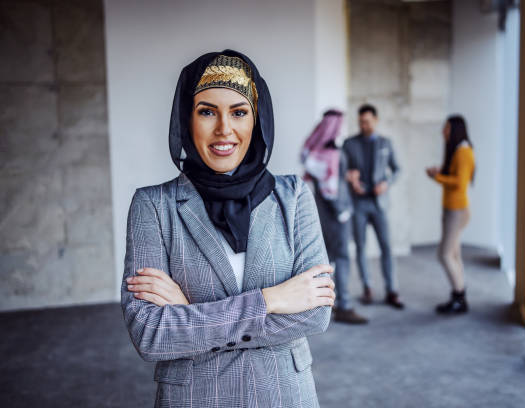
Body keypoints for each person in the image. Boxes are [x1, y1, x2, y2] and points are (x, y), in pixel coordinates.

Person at [121, 50, 334, 408]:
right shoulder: (152, 206)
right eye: (207, 111)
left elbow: (315, 314)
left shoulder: (294, 196)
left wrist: (190, 313)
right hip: (195, 398)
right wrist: (272, 300)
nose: (224, 129)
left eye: (239, 112)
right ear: (187, 119)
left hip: (283, 395)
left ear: (257, 119)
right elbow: (151, 334)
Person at [301, 109, 369, 324]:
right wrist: (343, 211)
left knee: (325, 259)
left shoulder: (316, 151)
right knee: (341, 258)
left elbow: (325, 181)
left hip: (322, 214)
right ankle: (344, 305)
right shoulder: (333, 154)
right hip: (337, 214)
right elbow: (332, 189)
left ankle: (321, 304)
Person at [342, 104, 403, 309]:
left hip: (380, 203)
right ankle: (367, 287)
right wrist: (351, 179)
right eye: (361, 122)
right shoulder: (349, 144)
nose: (364, 125)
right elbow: (341, 170)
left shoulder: (386, 143)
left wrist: (387, 183)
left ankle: (392, 290)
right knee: (360, 247)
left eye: (367, 121)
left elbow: (397, 169)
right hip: (358, 203)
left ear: (375, 120)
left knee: (386, 246)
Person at [426, 115, 475, 314]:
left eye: (446, 129)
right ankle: (459, 294)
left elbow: (459, 183)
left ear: (455, 130)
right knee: (454, 254)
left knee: (445, 255)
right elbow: (455, 178)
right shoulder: (457, 151)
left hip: (457, 211)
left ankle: (459, 296)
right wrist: (440, 174)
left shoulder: (463, 152)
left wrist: (437, 176)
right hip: (452, 209)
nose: (443, 132)